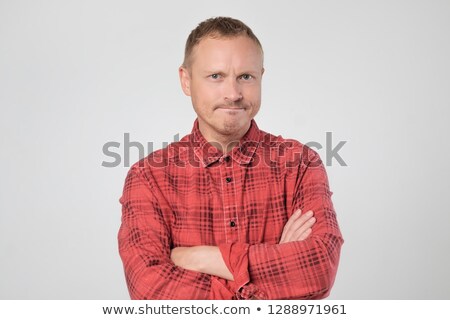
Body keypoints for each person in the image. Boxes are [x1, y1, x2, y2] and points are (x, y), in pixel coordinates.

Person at [118, 17, 343, 300]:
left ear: (261, 77)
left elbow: (317, 272)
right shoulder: (149, 176)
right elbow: (150, 291)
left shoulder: (300, 163)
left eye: (245, 77)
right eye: (216, 76)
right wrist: (274, 268)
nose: (233, 94)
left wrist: (203, 259)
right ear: (186, 81)